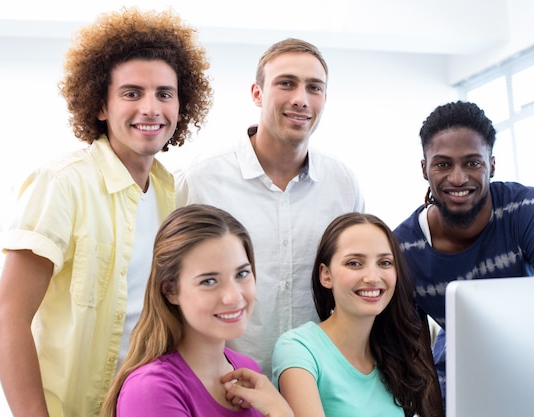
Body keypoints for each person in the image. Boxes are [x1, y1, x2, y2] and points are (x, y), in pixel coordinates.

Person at [0, 8, 213, 417]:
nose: (151, 108)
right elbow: (8, 318)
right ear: (101, 106)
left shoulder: (173, 195)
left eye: (165, 93)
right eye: (132, 93)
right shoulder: (62, 184)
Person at [175, 38, 365, 373]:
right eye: (286, 83)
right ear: (257, 93)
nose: (300, 99)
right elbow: (169, 284)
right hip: (224, 384)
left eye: (314, 87)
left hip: (321, 383)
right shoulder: (201, 181)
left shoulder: (342, 184)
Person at [393, 100, 534, 403]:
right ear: (424, 169)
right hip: (459, 371)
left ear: (492, 164)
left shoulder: (532, 210)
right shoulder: (403, 249)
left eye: (472, 162)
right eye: (443, 164)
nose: (458, 178)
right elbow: (419, 364)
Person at [100, 204, 293, 417]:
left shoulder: (248, 371)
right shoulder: (149, 390)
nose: (234, 296)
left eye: (241, 274)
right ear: (170, 290)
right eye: (209, 281)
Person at [272, 212, 444, 417]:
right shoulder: (298, 349)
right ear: (326, 275)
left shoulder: (397, 354)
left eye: (385, 263)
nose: (372, 277)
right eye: (354, 263)